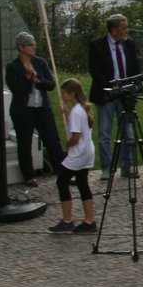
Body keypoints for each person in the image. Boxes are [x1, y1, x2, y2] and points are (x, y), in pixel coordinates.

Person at [87, 13, 142, 183]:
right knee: (105, 132)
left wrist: (132, 85)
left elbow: (135, 66)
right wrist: (112, 85)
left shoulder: (129, 44)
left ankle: (128, 165)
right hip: (106, 94)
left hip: (126, 94)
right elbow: (95, 71)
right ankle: (106, 167)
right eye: (123, 28)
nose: (126, 31)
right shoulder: (97, 45)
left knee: (128, 131)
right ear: (114, 29)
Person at [6, 31, 65, 188]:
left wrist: (36, 79)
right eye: (30, 45)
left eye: (34, 44)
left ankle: (63, 172)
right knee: (24, 143)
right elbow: (16, 90)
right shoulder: (12, 67)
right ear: (21, 47)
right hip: (23, 110)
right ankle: (29, 176)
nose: (34, 47)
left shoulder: (40, 63)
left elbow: (50, 84)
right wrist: (27, 79)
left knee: (52, 140)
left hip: (42, 108)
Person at [47, 78, 96, 234]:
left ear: (72, 94)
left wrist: (66, 146)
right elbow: (76, 124)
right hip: (88, 150)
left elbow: (75, 136)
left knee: (62, 181)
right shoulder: (81, 109)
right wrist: (66, 113)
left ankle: (67, 220)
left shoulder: (76, 111)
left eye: (64, 94)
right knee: (82, 183)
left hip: (79, 152)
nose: (62, 97)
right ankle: (90, 220)